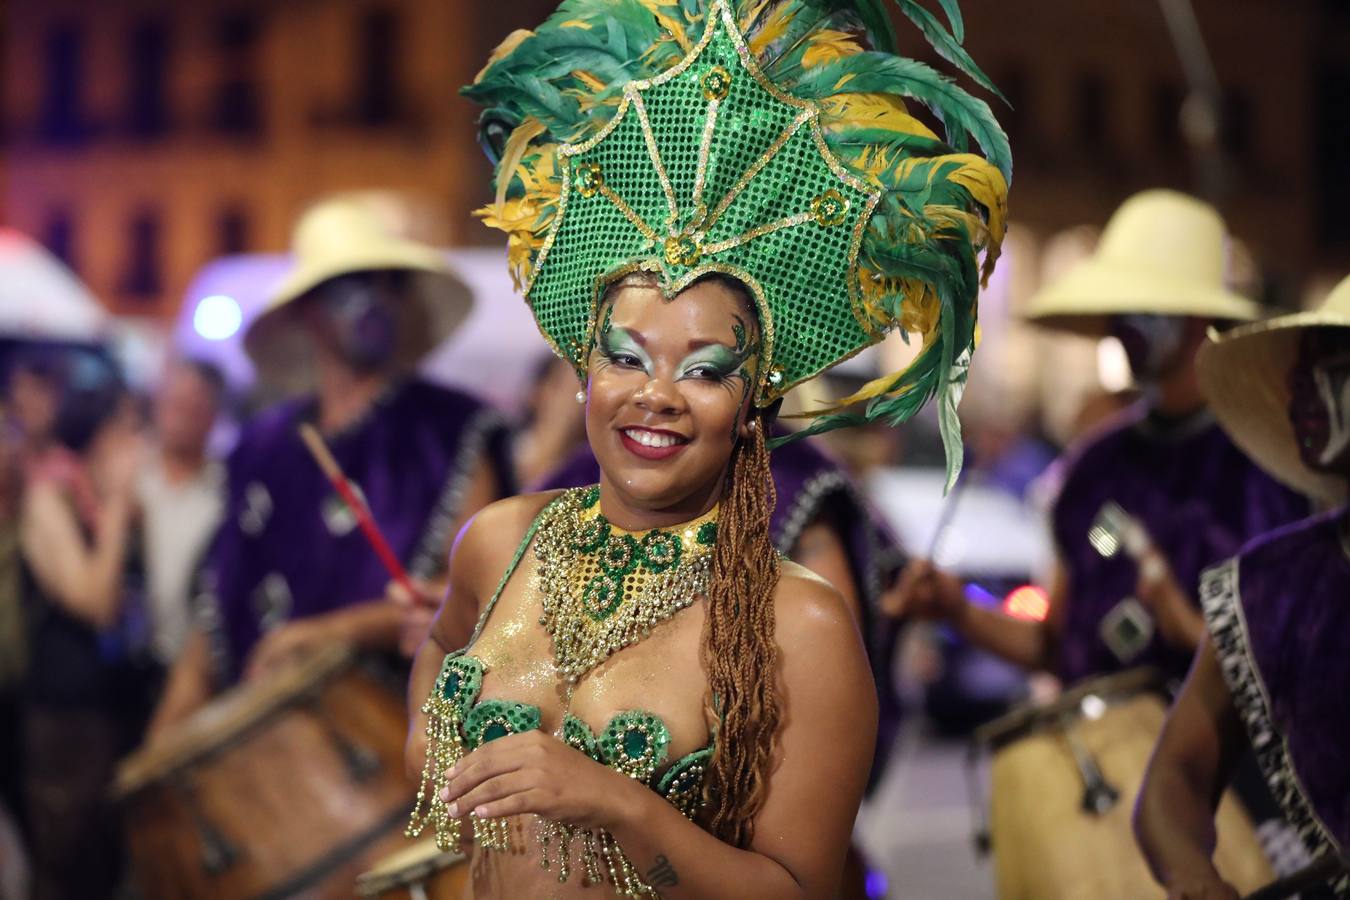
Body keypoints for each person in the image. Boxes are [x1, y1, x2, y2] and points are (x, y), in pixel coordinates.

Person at [404, 1, 1008, 896]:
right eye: (625, 357)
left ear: (752, 405)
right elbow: (438, 652)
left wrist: (618, 803)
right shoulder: (497, 542)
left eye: (706, 370)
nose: (656, 395)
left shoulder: (798, 625)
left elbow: (799, 888)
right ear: (584, 374)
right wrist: (441, 765)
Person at [885, 190, 1309, 685]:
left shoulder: (1262, 468)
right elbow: (1058, 647)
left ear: (1198, 317)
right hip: (1092, 748)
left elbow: (1282, 671)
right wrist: (958, 609)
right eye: (1119, 307)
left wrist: (1186, 628)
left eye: (1143, 307)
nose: (1123, 325)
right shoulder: (1095, 468)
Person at [148, 198, 514, 735]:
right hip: (267, 745)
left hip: (397, 733)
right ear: (308, 311)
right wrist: (167, 732)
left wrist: (333, 634)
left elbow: (480, 592)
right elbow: (220, 602)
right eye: (355, 282)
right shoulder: (261, 445)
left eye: (391, 281)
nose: (377, 300)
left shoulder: (451, 429)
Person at [1134, 279, 1350, 900]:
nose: (1306, 391)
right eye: (1304, 371)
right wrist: (1193, 875)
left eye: (1332, 368)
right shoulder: (1270, 584)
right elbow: (1174, 778)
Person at [9, 345, 149, 900]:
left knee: (106, 865)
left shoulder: (93, 498)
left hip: (112, 705)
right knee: (66, 868)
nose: (140, 444)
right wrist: (116, 507)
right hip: (64, 718)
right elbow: (94, 601)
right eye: (128, 429)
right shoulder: (50, 498)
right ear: (99, 432)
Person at [136, 358, 226, 667]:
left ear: (212, 416)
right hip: (123, 664)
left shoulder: (225, 491)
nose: (178, 417)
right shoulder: (129, 475)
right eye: (172, 403)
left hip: (192, 661)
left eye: (192, 407)